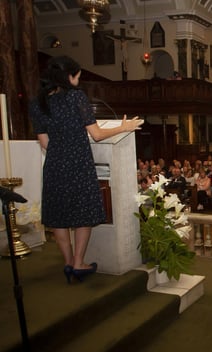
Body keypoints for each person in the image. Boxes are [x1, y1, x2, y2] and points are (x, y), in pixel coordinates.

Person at [28, 55, 143, 283]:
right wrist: (124, 126)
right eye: (77, 77)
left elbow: (45, 143)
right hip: (79, 164)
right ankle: (80, 262)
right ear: (68, 76)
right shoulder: (75, 97)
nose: (78, 82)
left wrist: (61, 150)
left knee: (60, 216)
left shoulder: (37, 103)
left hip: (54, 165)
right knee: (83, 213)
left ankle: (69, 262)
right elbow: (97, 134)